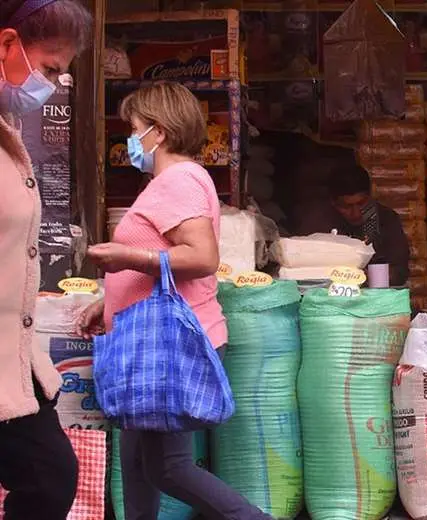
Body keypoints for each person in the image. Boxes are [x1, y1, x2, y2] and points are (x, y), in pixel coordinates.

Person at [77, 82, 272, 520]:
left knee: (168, 467)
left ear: (159, 132)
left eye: (134, 129)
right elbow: (160, 255)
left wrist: (126, 257)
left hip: (171, 345)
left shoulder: (178, 181)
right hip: (150, 344)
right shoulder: (170, 181)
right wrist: (108, 302)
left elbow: (202, 258)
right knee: (138, 465)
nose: (130, 139)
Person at [0, 1, 91, 518]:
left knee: (49, 475)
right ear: (8, 44)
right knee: (47, 474)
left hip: (11, 354)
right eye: (51, 69)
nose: (53, 85)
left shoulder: (8, 127)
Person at [295, 164, 410, 286]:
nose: (356, 213)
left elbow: (400, 271)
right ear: (333, 202)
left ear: (370, 197)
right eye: (346, 206)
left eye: (361, 204)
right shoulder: (316, 222)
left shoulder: (386, 219)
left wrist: (369, 276)